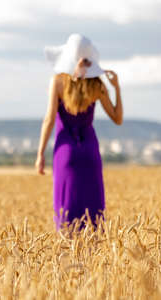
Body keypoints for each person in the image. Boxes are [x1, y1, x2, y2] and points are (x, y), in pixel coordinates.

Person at [35, 34, 123, 231]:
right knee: (93, 213)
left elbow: (49, 120)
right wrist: (116, 88)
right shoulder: (97, 85)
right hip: (90, 151)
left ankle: (69, 256)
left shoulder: (57, 82)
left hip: (66, 152)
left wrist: (40, 154)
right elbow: (117, 118)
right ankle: (94, 259)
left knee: (66, 210)